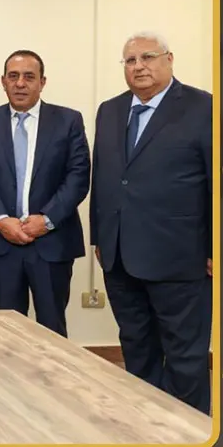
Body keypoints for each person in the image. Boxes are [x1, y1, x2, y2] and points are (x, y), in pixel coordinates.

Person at [90, 32, 212, 415]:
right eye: (130, 60)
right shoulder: (110, 110)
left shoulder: (204, 107)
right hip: (119, 257)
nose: (139, 66)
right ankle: (146, 425)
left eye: (148, 57)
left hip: (180, 258)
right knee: (136, 349)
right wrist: (99, 237)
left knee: (185, 358)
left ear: (169, 59)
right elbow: (103, 176)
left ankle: (192, 431)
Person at [0, 50, 90, 337]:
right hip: (2, 241)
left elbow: (78, 176)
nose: (20, 83)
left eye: (29, 77)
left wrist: (46, 220)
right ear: (3, 82)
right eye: (13, 76)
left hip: (52, 241)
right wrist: (1, 220)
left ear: (42, 82)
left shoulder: (68, 120)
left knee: (52, 327)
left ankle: (52, 370)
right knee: (8, 329)